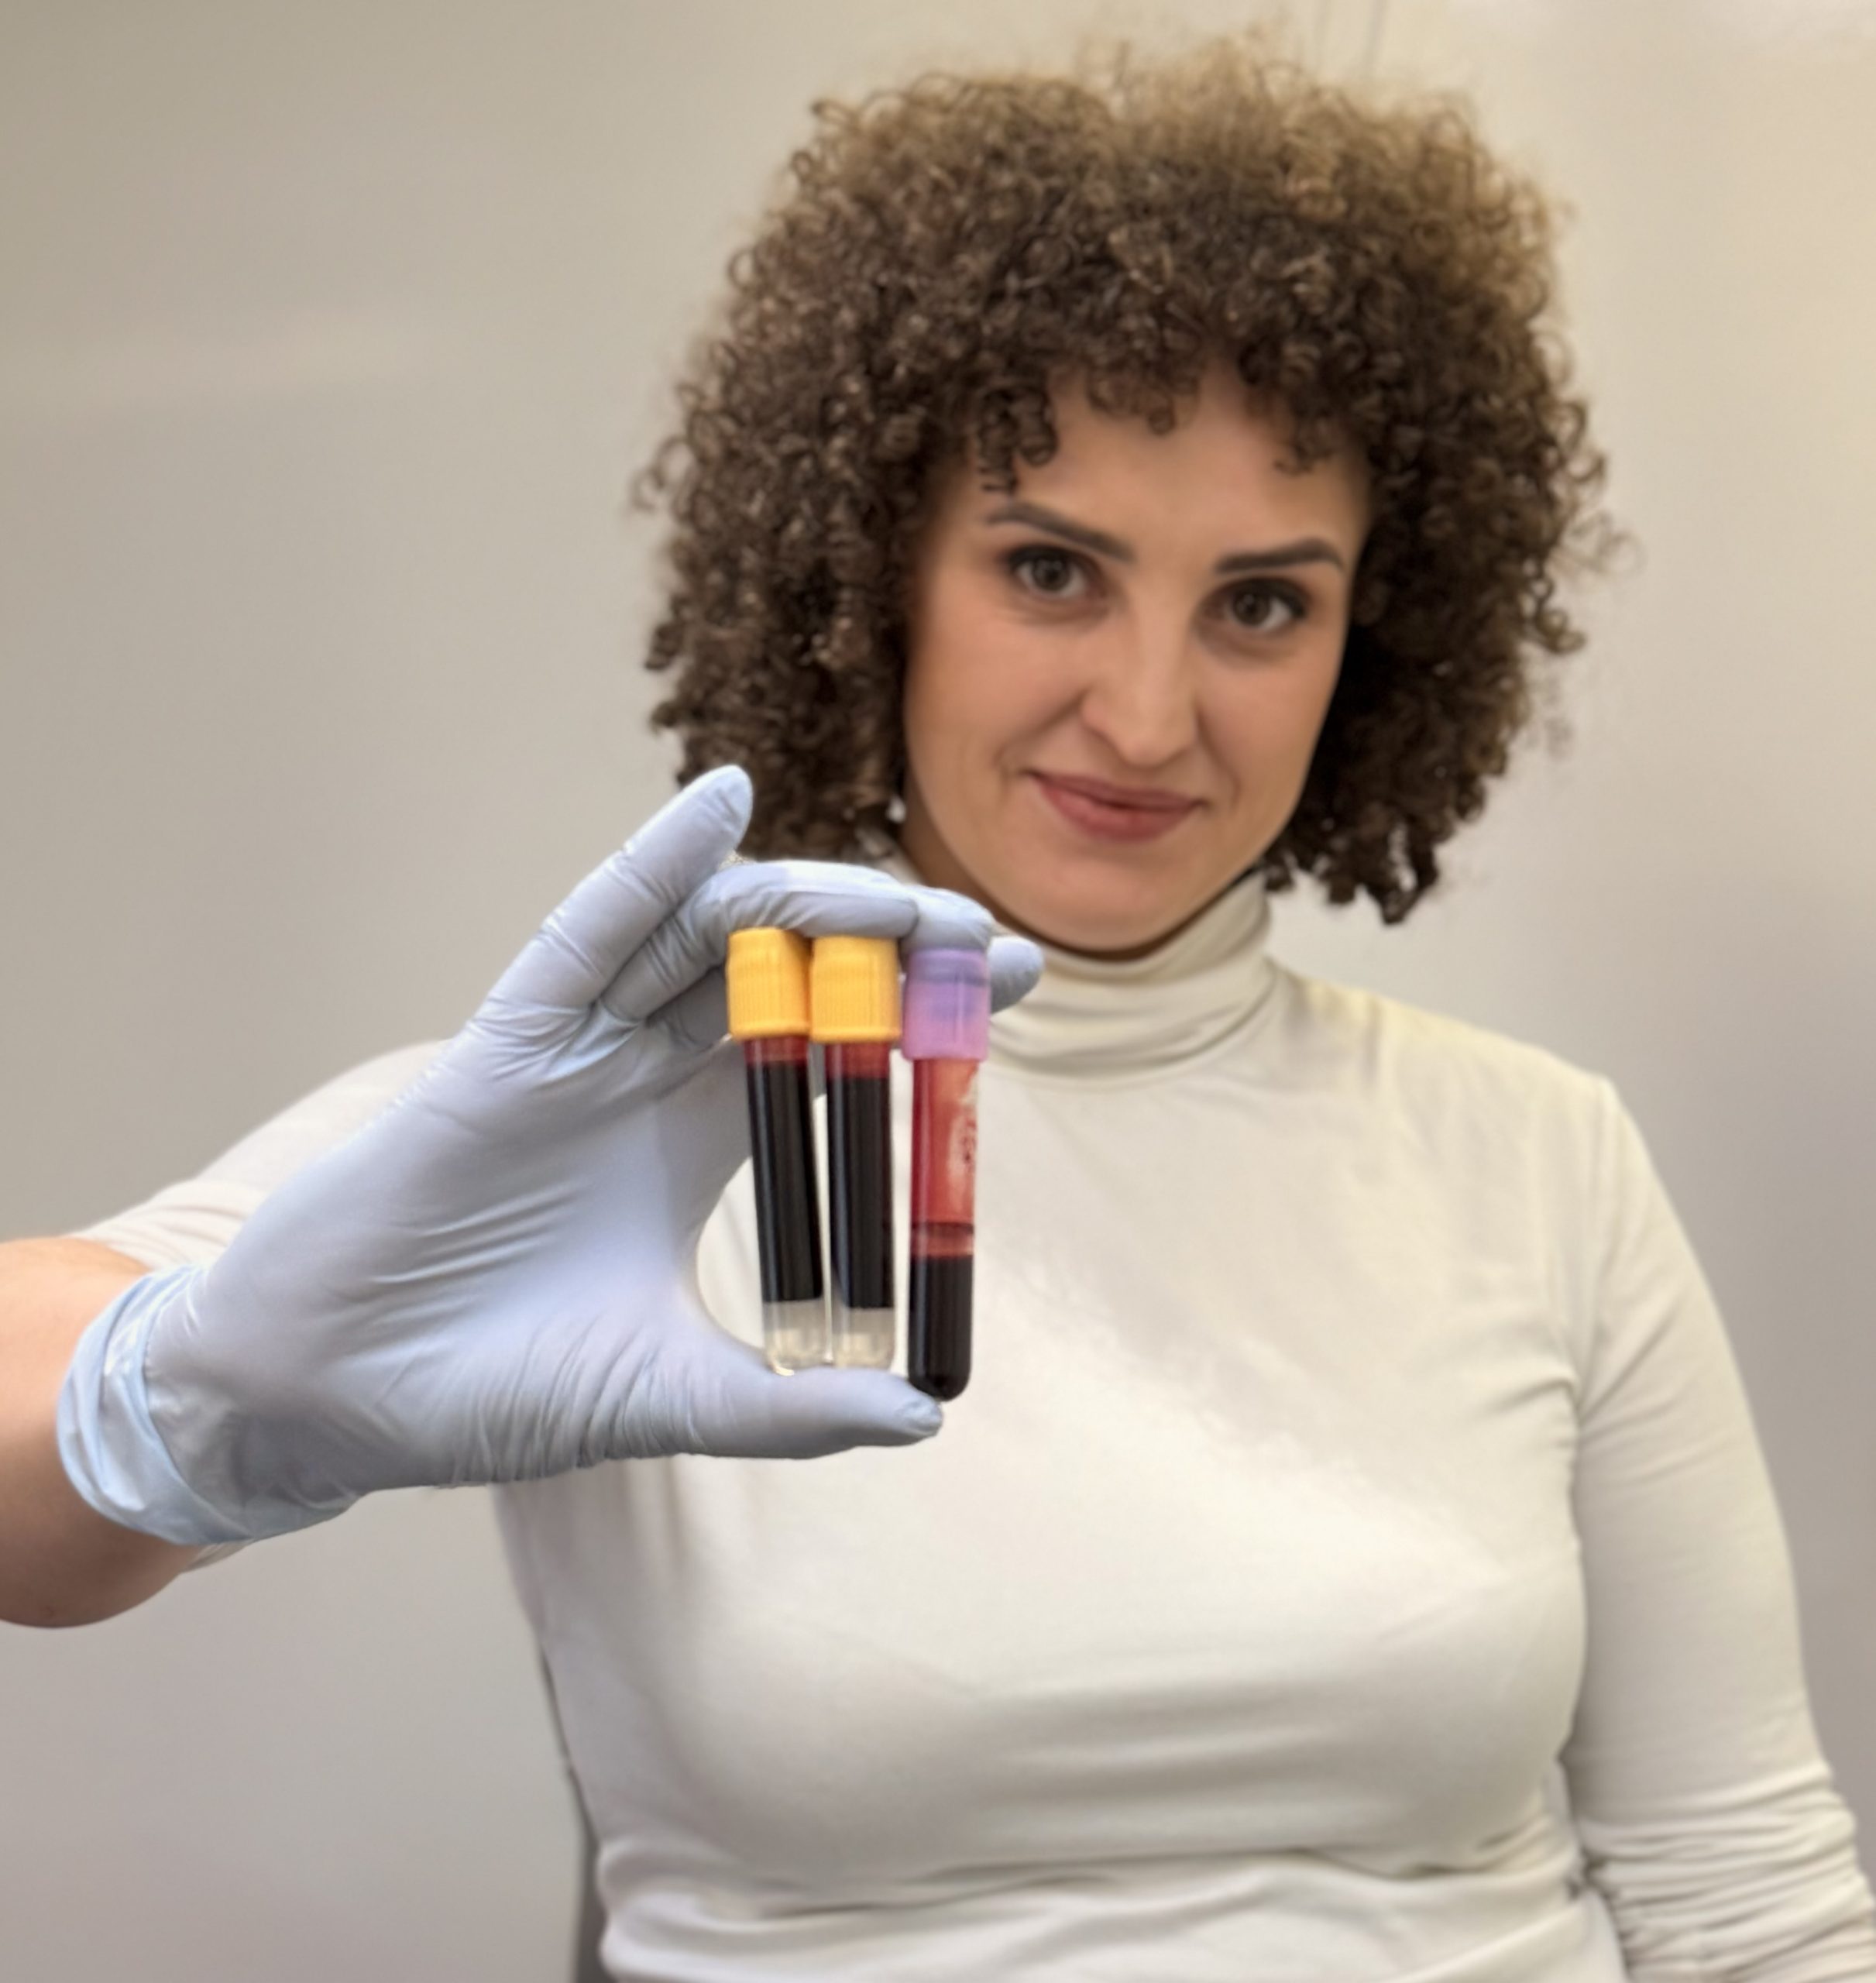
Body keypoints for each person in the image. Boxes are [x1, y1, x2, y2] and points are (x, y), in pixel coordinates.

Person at [5, 32, 1872, 1982]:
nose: (1145, 714)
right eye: (1050, 568)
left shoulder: (1535, 1157)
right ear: (869, 570)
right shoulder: (626, 1130)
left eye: (1259, 602)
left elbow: (1746, 1903)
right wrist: (199, 1397)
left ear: (1373, 637)